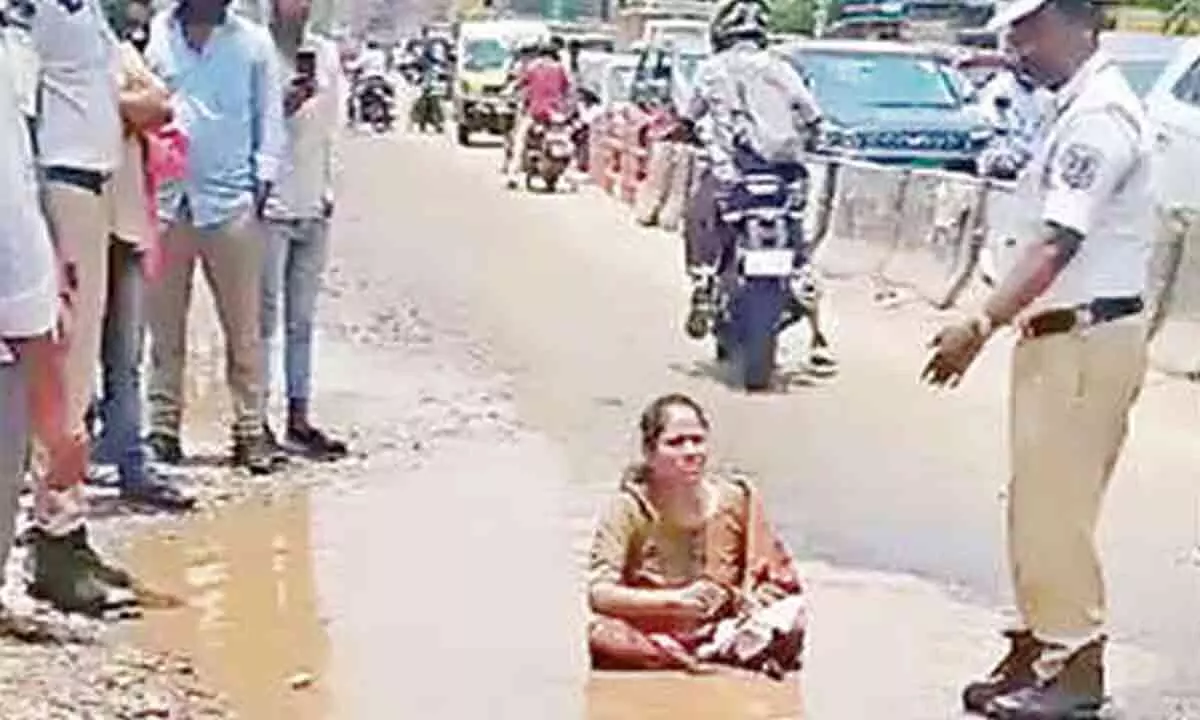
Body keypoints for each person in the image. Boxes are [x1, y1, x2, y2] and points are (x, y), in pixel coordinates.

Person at [922, 0, 1152, 716]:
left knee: (1057, 510)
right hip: (1058, 336)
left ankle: (1074, 667)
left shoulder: (1098, 120)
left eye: (1028, 30)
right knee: (1033, 507)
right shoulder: (1072, 103)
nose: (1016, 45)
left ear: (1077, 24)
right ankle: (1033, 650)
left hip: (1082, 336)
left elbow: (1059, 241)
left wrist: (980, 324)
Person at [29, 0, 147, 613]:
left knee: (78, 382)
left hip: (94, 185)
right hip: (62, 185)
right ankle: (51, 544)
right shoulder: (40, 11)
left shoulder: (87, 12)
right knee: (65, 378)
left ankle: (69, 531)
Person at [143, 0, 286, 474]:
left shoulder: (253, 43)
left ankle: (250, 430)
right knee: (164, 329)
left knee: (243, 329)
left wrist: (258, 188)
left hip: (230, 204)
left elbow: (270, 123)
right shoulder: (155, 35)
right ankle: (162, 429)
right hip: (167, 202)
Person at [588, 393, 806, 677]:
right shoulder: (628, 509)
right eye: (675, 443)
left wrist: (752, 600)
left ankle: (717, 654)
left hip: (725, 629)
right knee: (603, 636)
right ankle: (693, 659)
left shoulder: (737, 499)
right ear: (650, 452)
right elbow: (599, 594)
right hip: (652, 635)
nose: (690, 451)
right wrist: (676, 601)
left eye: (697, 440)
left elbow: (778, 578)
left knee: (792, 618)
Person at [679, 0, 837, 377]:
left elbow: (689, 116)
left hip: (729, 174)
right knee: (798, 243)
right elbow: (812, 115)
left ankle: (702, 280)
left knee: (697, 217)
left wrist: (687, 130)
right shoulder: (782, 68)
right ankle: (815, 326)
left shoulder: (711, 70)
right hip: (784, 177)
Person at [92, 0, 196, 511]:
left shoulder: (115, 49)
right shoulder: (39, 42)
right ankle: (56, 488)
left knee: (124, 357)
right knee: (60, 360)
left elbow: (159, 106)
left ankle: (130, 464)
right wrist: (125, 101)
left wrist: (120, 100)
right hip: (69, 222)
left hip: (126, 224)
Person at [261, 0, 347, 460]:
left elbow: (334, 127)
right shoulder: (257, 54)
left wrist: (329, 191)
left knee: (302, 322)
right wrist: (283, 105)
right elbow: (252, 127)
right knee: (263, 322)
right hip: (270, 207)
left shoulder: (326, 56)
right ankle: (254, 420)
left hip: (314, 204)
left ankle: (299, 416)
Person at [503, 39, 571, 189]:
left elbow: (519, 84)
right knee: (566, 141)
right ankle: (566, 177)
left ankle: (513, 176)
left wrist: (508, 91)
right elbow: (567, 89)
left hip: (536, 113)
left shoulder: (532, 68)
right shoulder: (560, 69)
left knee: (519, 141)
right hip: (556, 115)